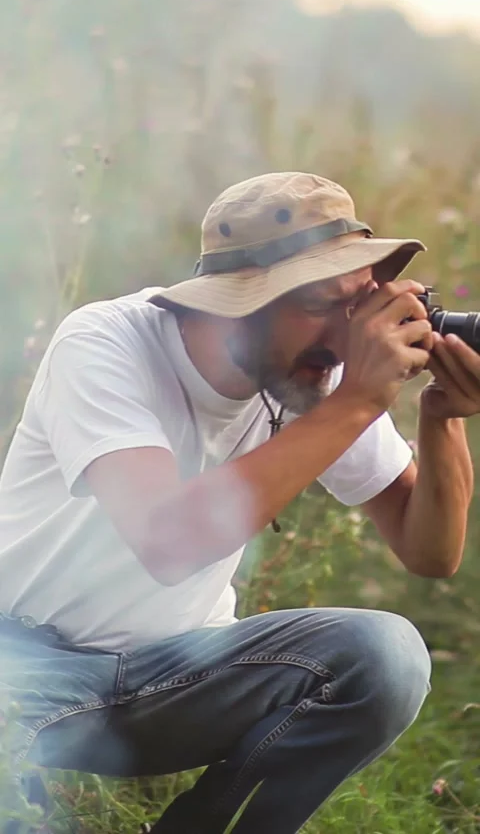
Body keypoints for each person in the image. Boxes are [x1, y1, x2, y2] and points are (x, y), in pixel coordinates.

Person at [0, 171, 478, 834]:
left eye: (358, 304)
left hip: (180, 676)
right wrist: (357, 399)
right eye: (322, 303)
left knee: (386, 655)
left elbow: (430, 550)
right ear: (234, 303)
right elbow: (167, 542)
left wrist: (441, 415)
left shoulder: (316, 372)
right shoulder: (104, 342)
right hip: (23, 668)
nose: (347, 335)